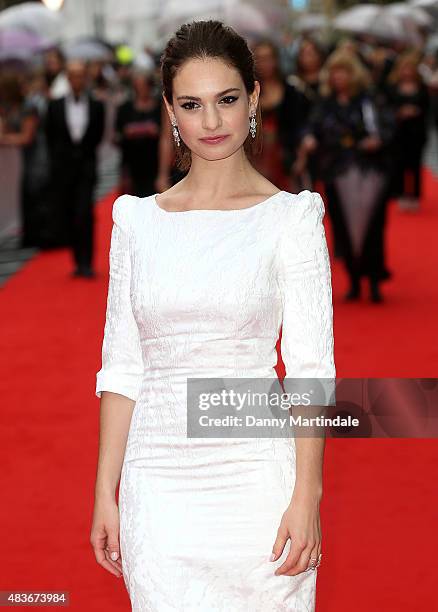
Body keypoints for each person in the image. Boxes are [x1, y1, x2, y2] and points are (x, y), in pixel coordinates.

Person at [90, 20, 336, 611]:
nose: (211, 122)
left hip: (257, 483)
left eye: (227, 100)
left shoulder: (291, 219)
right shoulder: (137, 224)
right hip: (159, 483)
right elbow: (123, 367)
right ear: (170, 112)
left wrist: (307, 496)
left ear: (253, 98)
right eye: (191, 105)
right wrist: (106, 489)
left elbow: (310, 368)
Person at [297, 49, 395, 303]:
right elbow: (311, 126)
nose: (339, 77)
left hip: (369, 169)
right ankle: (353, 279)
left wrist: (378, 140)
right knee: (342, 226)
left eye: (345, 72)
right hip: (336, 171)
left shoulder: (369, 100)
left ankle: (373, 280)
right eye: (336, 72)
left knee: (372, 226)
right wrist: (308, 138)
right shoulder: (325, 103)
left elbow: (388, 126)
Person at [45, 59, 105, 277]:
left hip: (86, 168)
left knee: (85, 213)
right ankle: (77, 260)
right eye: (73, 76)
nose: (77, 80)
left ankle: (86, 262)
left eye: (81, 75)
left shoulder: (97, 105)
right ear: (68, 79)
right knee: (71, 213)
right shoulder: (55, 106)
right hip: (64, 169)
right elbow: (51, 137)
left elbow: (97, 135)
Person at [114, 68, 162, 197]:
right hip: (132, 163)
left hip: (155, 161)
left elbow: (165, 133)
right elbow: (117, 135)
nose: (141, 90)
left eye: (144, 86)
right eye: (138, 86)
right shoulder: (125, 108)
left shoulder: (159, 107)